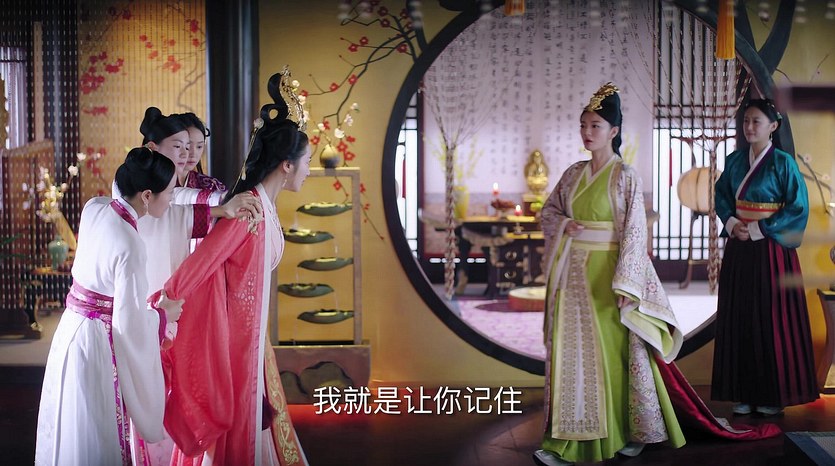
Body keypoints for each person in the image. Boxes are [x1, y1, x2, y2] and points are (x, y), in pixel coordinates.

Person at [156, 68, 310, 465]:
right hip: (234, 341)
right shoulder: (249, 210)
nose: (309, 170)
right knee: (238, 428)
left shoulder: (264, 207)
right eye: (306, 161)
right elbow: (201, 262)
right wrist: (166, 303)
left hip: (252, 335)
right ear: (287, 165)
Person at [535, 83, 685, 465]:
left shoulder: (625, 176)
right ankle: (564, 442)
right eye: (583, 125)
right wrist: (565, 223)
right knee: (570, 354)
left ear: (614, 131)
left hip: (609, 276)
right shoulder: (573, 174)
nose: (587, 132)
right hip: (572, 273)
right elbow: (548, 212)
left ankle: (622, 433)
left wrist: (628, 283)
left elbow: (634, 232)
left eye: (596, 126)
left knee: (612, 355)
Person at [35, 148, 184, 465]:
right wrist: (162, 316)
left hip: (70, 328)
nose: (172, 200)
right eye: (171, 193)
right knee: (96, 427)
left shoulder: (95, 207)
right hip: (97, 343)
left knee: (71, 424)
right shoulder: (131, 244)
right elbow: (129, 324)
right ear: (147, 196)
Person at [711, 98, 817, 416]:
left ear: (773, 126)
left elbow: (798, 207)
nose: (749, 127)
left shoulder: (784, 163)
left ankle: (773, 394)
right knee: (741, 315)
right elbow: (721, 195)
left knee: (773, 318)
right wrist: (732, 223)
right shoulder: (734, 161)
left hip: (772, 249)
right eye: (746, 121)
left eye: (756, 121)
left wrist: (760, 228)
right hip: (740, 247)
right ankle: (743, 392)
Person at [174, 112, 226, 205]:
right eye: (188, 146)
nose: (193, 154)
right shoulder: (158, 185)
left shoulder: (211, 185)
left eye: (199, 146)